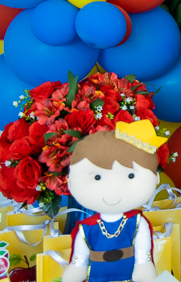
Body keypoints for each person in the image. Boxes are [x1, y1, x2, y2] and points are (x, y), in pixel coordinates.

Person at [63, 120, 168, 282]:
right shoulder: (86, 228)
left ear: (156, 179)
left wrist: (143, 264)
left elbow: (143, 253)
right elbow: (80, 258)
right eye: (97, 177)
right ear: (70, 183)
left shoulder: (137, 222)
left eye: (130, 175)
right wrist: (76, 268)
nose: (112, 189)